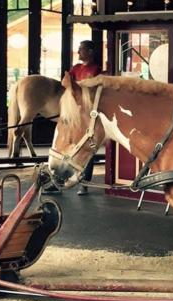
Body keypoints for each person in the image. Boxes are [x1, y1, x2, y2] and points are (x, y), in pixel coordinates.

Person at [71, 40, 101, 196]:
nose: (78, 52)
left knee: (88, 147)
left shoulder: (96, 69)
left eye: (81, 49)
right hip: (76, 113)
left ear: (90, 51)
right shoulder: (75, 68)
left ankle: (84, 182)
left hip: (89, 114)